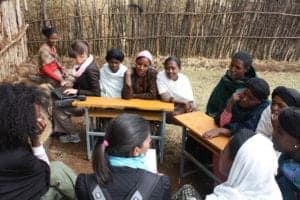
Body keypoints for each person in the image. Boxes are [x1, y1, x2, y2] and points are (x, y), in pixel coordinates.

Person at [0, 83, 77, 200]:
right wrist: (35, 138)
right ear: (19, 119)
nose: (41, 119)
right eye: (36, 117)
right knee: (58, 170)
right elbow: (45, 174)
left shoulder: (7, 138)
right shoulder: (19, 156)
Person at [75, 114, 171, 199]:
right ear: (136, 151)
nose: (149, 145)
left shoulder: (85, 183)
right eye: (148, 142)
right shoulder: (160, 184)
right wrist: (154, 180)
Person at [205, 129, 282, 200]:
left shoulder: (226, 197)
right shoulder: (274, 194)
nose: (221, 153)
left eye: (225, 150)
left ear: (237, 164)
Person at [53, 40, 100, 143]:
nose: (74, 61)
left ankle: (73, 135)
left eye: (75, 57)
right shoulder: (84, 66)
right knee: (56, 96)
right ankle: (63, 131)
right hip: (82, 97)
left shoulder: (90, 70)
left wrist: (76, 91)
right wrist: (69, 84)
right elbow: (81, 82)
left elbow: (96, 93)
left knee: (58, 108)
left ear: (83, 55)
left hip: (88, 103)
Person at [204, 77, 270, 139]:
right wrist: (229, 105)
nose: (244, 99)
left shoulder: (263, 110)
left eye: (250, 98)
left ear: (259, 102)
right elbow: (220, 121)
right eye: (245, 93)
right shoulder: (236, 97)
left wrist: (223, 130)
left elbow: (247, 130)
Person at [206, 51, 256, 118]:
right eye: (231, 65)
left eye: (237, 67)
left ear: (246, 69)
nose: (232, 69)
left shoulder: (253, 86)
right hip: (217, 117)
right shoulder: (225, 80)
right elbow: (213, 104)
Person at [157, 56, 196, 123]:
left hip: (184, 107)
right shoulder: (161, 76)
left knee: (195, 115)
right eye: (167, 68)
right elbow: (165, 97)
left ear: (179, 68)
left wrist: (190, 105)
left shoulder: (184, 79)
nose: (170, 71)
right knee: (181, 116)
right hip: (170, 107)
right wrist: (183, 101)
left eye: (173, 68)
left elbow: (190, 100)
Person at [272, 107, 300, 200]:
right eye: (274, 128)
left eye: (280, 132)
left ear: (298, 143)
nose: (273, 134)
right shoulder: (287, 157)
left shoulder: (295, 176)